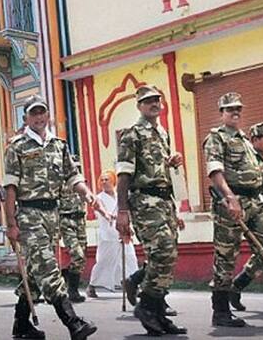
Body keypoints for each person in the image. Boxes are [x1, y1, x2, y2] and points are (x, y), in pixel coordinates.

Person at [4, 94, 98, 340]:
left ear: (47, 115)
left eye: (41, 112)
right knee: (47, 267)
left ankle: (21, 326)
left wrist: (87, 194)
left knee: (35, 275)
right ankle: (73, 322)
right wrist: (11, 224)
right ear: (25, 117)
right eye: (33, 113)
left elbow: (72, 176)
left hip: (52, 215)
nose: (38, 117)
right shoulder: (17, 147)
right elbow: (10, 188)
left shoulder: (59, 145)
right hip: (28, 214)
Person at [203, 94, 263, 326]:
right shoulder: (216, 138)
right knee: (226, 257)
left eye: (238, 108)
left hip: (255, 203)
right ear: (222, 112)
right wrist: (230, 197)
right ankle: (220, 312)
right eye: (230, 109)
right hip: (231, 203)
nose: (235, 112)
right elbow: (215, 170)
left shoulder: (246, 141)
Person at [116, 85, 186, 336]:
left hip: (164, 201)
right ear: (139, 106)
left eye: (157, 99)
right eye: (148, 101)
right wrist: (121, 211)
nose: (154, 104)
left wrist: (173, 161)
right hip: (144, 201)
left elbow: (160, 171)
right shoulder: (132, 134)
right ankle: (146, 306)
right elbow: (123, 175)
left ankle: (157, 312)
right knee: (163, 252)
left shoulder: (162, 133)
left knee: (168, 256)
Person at [228, 121, 263, 311]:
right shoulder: (250, 161)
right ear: (255, 140)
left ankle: (237, 286)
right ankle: (238, 285)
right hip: (262, 208)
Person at [87, 171, 138, 298]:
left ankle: (134, 285)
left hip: (123, 231)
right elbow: (100, 208)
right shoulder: (99, 197)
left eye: (107, 179)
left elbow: (127, 213)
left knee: (130, 257)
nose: (104, 182)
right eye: (102, 180)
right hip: (108, 233)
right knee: (104, 261)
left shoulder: (120, 197)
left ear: (113, 181)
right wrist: (108, 215)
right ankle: (92, 286)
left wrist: (129, 226)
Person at [58, 157, 89, 303]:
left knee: (82, 257)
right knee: (77, 254)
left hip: (80, 220)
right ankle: (72, 289)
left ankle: (69, 282)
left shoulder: (82, 184)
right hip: (66, 219)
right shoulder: (59, 183)